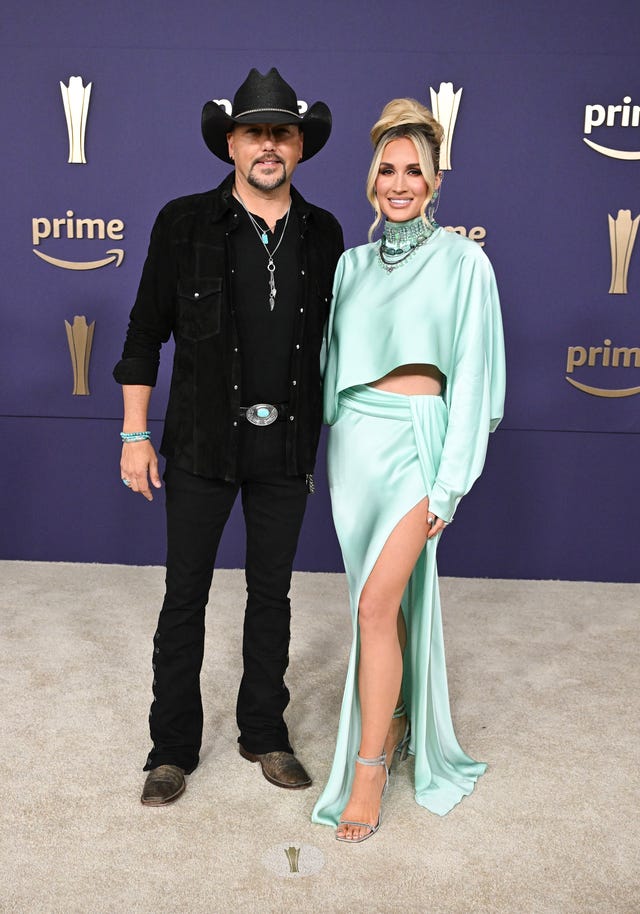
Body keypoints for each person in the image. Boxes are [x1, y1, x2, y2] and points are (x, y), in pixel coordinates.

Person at [113, 68, 343, 806]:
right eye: (254, 133)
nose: (268, 145)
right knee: (185, 595)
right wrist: (134, 434)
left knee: (272, 594)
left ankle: (265, 733)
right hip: (201, 445)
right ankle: (171, 749)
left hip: (287, 447)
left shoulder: (325, 233)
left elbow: (342, 343)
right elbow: (144, 334)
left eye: (281, 133)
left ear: (299, 146)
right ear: (232, 144)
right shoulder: (183, 222)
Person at [311, 98, 505, 841]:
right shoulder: (351, 266)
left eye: (413, 171)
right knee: (378, 607)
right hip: (355, 446)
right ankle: (391, 717)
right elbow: (325, 366)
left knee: (372, 606)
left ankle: (367, 771)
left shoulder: (464, 263)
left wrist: (450, 484)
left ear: (434, 182)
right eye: (387, 170)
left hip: (419, 445)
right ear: (372, 179)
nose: (399, 184)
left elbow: (475, 381)